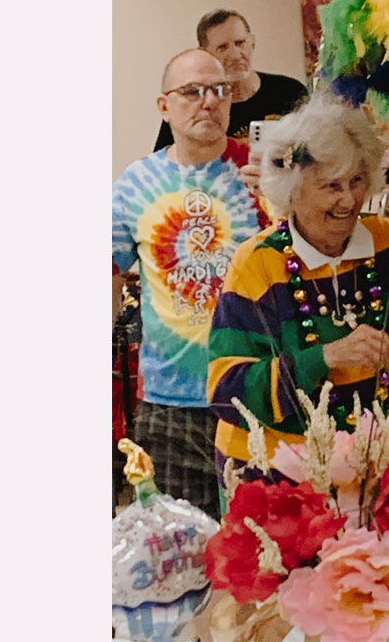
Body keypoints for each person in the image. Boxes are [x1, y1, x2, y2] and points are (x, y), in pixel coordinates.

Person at [206, 94, 389, 496]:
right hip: (270, 477)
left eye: (357, 181)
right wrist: (328, 357)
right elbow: (227, 390)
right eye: (331, 186)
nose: (349, 199)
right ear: (292, 190)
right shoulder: (257, 263)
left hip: (365, 471)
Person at [112, 48, 271, 519]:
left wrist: (280, 201)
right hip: (169, 402)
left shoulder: (265, 174)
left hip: (258, 391)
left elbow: (303, 265)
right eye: (192, 91)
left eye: (219, 90)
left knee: (266, 551)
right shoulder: (135, 184)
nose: (208, 102)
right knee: (182, 555)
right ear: (165, 106)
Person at [153, 9, 308, 150]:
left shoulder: (290, 91)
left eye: (240, 43)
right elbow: (164, 163)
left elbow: (315, 153)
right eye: (222, 47)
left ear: (252, 43)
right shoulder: (194, 105)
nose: (235, 55)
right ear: (205, 53)